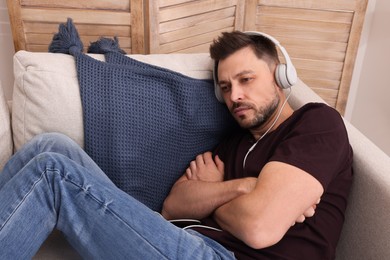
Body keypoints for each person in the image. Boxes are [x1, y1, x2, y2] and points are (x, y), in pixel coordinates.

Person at [0, 31, 352, 259]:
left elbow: (258, 228)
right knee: (51, 146)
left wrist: (214, 193)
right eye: (226, 87)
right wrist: (243, 187)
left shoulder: (316, 124)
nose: (235, 96)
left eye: (246, 80)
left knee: (52, 172)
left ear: (280, 75)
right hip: (178, 239)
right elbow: (173, 206)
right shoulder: (232, 142)